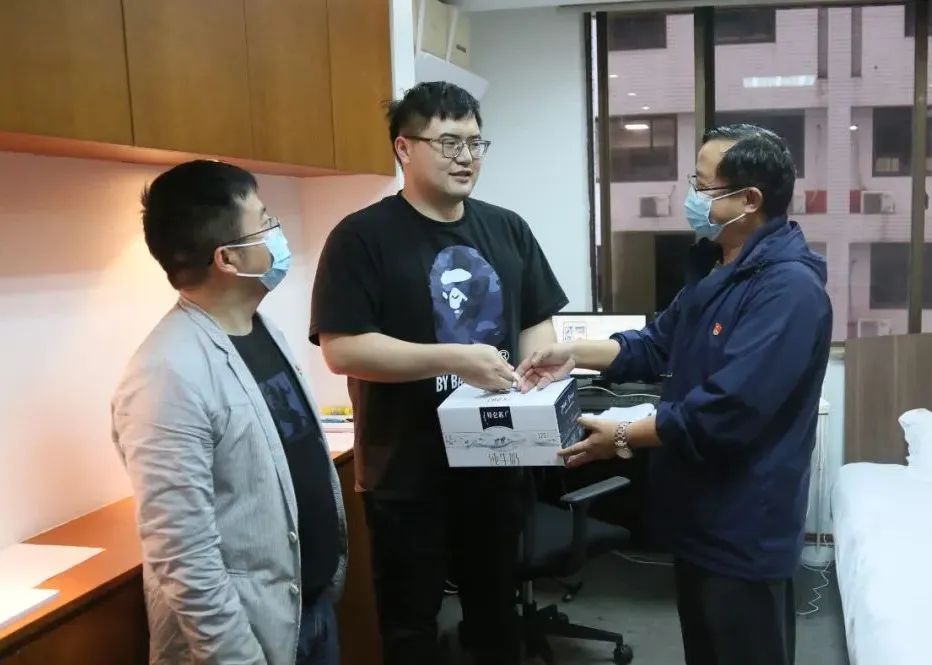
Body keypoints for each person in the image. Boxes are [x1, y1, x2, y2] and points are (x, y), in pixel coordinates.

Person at [518, 124, 833, 665]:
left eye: (702, 186)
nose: (690, 196)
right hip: (699, 515)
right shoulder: (719, 268)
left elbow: (727, 410)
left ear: (749, 200)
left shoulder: (788, 290)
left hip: (744, 527)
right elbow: (655, 343)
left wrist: (622, 434)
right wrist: (573, 354)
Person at [309, 81, 568, 665]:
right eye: (449, 143)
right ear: (404, 148)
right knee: (410, 628)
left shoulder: (507, 227)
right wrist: (452, 358)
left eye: (476, 143)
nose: (466, 157)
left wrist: (537, 363)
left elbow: (536, 318)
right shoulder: (361, 237)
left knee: (496, 619)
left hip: (496, 462)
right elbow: (343, 349)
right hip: (407, 473)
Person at [112, 160, 346, 665]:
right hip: (249, 637)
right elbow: (182, 553)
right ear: (228, 258)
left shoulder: (261, 330)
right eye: (264, 221)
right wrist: (237, 656)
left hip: (307, 609)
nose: (278, 232)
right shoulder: (166, 373)